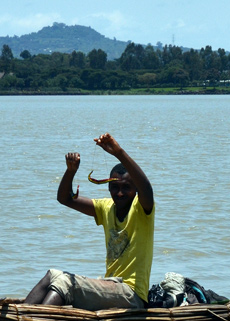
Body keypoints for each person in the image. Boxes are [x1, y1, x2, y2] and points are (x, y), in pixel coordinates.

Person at [24, 133, 155, 311]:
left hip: (131, 294)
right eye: (115, 187)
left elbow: (146, 187)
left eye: (126, 188)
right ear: (108, 187)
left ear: (135, 190)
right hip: (110, 286)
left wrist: (118, 152)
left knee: (65, 282)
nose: (120, 193)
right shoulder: (106, 207)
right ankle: (22, 315)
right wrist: (71, 172)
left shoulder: (142, 209)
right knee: (52, 275)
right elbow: (65, 199)